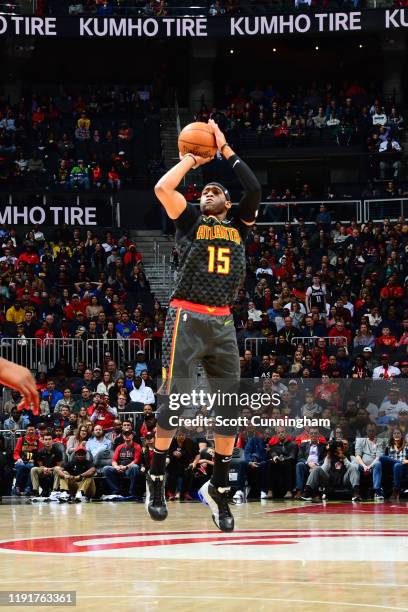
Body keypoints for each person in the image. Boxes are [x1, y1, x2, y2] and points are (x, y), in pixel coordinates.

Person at [147, 119, 261, 531]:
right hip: (187, 316)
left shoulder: (239, 226)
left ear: (228, 205)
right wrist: (190, 161)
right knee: (173, 403)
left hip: (222, 323)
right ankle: (156, 478)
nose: (208, 194)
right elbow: (163, 189)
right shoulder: (192, 222)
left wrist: (226, 148)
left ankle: (218, 489)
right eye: (204, 192)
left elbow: (255, 190)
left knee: (229, 412)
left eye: (216, 192)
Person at [103, 431, 143, 499]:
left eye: (129, 434)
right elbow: (114, 460)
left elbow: (136, 460)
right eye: (125, 435)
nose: (127, 436)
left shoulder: (137, 446)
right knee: (106, 468)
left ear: (132, 436)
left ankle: (132, 492)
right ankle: (116, 491)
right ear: (123, 436)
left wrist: (126, 467)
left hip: (129, 469)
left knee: (135, 467)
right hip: (120, 469)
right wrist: (116, 467)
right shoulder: (119, 447)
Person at [354, 424, 384, 500]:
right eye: (369, 431)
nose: (371, 432)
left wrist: (370, 466)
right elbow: (357, 456)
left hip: (373, 464)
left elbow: (378, 456)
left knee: (378, 463)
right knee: (354, 465)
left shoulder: (380, 441)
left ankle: (377, 491)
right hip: (362, 465)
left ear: (376, 431)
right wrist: (364, 466)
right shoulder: (360, 441)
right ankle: (356, 492)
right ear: (366, 431)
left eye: (373, 431)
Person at [30, 433, 63, 497]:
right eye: (46, 439)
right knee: (33, 469)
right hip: (44, 469)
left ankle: (55, 491)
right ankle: (36, 491)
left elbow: (59, 465)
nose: (47, 441)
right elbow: (40, 465)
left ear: (52, 441)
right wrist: (44, 469)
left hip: (53, 470)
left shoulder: (58, 451)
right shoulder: (40, 452)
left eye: (49, 439)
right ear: (43, 441)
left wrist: (50, 469)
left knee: (58, 469)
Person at [379, 429, 408, 501]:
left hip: (403, 467)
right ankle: (398, 462)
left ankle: (395, 490)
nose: (396, 435)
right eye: (394, 433)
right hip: (391, 467)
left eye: (398, 433)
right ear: (392, 436)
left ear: (401, 435)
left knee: (397, 466)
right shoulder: (389, 446)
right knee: (382, 458)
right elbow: (385, 459)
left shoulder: (406, 446)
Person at [13, 424, 42, 495]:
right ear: (26, 431)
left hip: (32, 462)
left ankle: (28, 488)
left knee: (31, 467)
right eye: (29, 430)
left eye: (32, 430)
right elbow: (16, 452)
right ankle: (17, 487)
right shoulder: (21, 440)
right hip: (21, 461)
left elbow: (41, 454)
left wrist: (34, 459)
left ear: (35, 431)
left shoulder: (38, 441)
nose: (31, 431)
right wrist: (18, 458)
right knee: (21, 466)